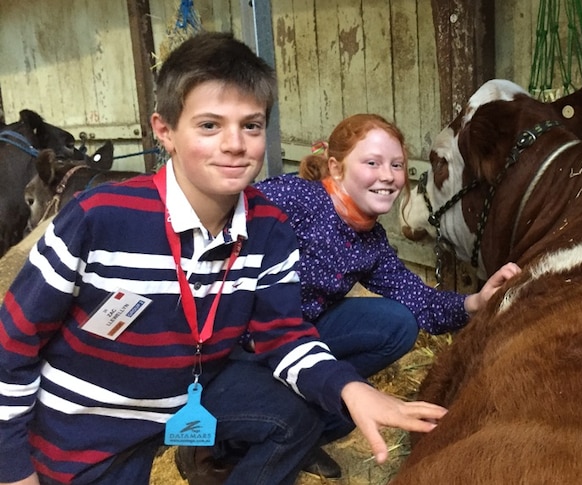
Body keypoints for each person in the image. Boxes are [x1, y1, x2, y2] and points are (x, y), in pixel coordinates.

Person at [0, 32, 445, 485]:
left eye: (251, 126)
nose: (235, 144)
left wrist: (349, 388)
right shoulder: (100, 217)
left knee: (297, 419)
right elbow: (11, 345)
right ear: (165, 131)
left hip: (191, 386)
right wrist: (14, 470)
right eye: (210, 126)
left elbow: (283, 333)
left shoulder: (269, 226)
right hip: (86, 431)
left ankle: (212, 460)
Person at [186, 114, 521, 480]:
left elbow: (419, 301)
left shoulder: (371, 242)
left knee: (396, 327)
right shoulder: (295, 199)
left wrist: (475, 301)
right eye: (372, 163)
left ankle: (303, 422)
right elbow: (214, 217)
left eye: (396, 165)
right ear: (336, 166)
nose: (388, 175)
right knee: (294, 420)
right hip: (228, 344)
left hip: (294, 338)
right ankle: (216, 445)